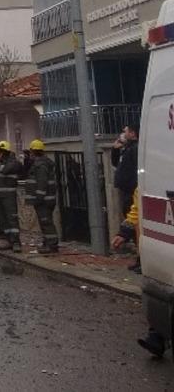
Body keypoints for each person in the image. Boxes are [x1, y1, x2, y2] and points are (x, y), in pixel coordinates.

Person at [112, 189, 166, 357]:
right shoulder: (145, 182)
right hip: (157, 242)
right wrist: (124, 232)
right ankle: (156, 336)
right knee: (159, 286)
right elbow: (137, 208)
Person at [25, 140, 59, 254]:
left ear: (33, 152)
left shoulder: (40, 165)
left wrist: (38, 198)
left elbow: (42, 182)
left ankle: (52, 245)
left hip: (43, 200)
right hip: (47, 198)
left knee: (46, 222)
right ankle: (48, 242)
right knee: (45, 222)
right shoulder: (43, 163)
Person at [0, 141, 22, 253]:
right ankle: (8, 240)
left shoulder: (14, 162)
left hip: (8, 196)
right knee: (2, 220)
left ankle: (16, 242)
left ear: (4, 152)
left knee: (12, 219)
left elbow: (5, 170)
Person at [114, 126, 139, 222]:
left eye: (126, 132)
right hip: (125, 189)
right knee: (126, 212)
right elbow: (116, 162)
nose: (123, 134)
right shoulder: (126, 148)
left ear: (132, 134)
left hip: (131, 189)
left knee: (130, 214)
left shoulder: (135, 148)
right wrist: (115, 149)